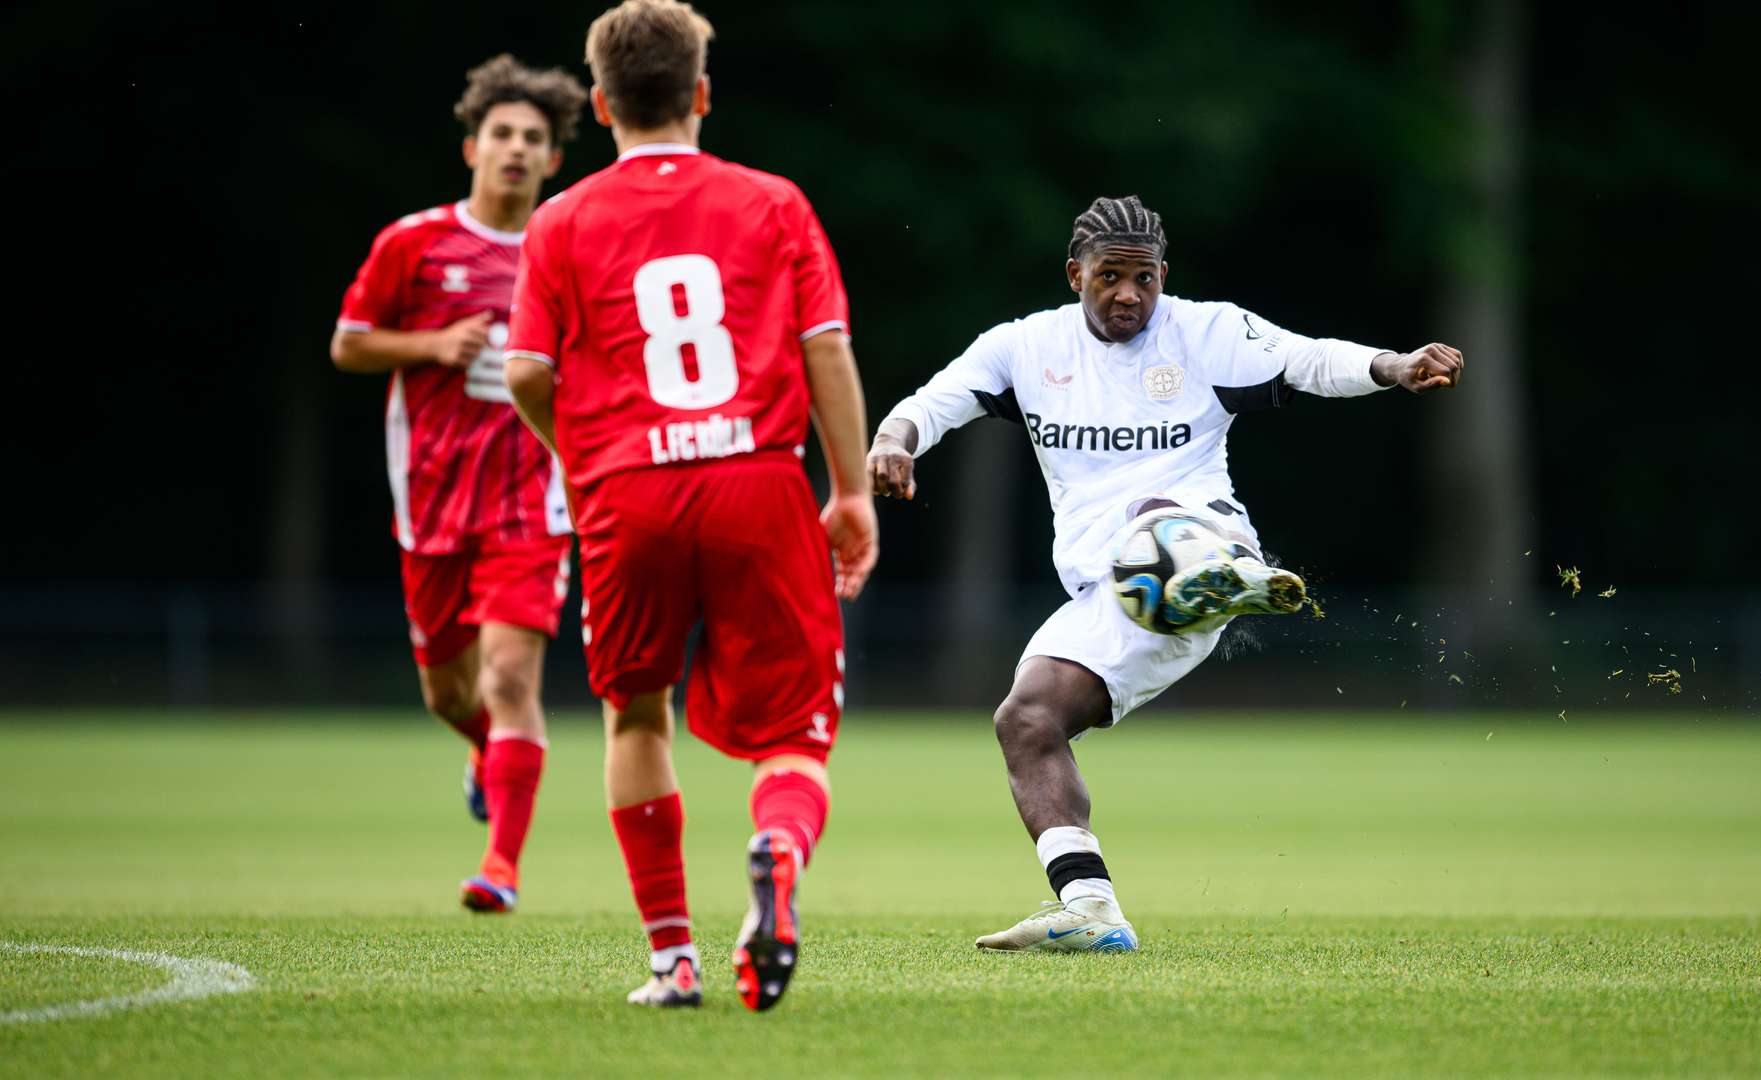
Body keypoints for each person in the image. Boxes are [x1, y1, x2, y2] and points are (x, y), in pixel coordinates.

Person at [867, 196, 1464, 952]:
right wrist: (894, 442)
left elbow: (1307, 358)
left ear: (1163, 277)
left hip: (1178, 542)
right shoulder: (1024, 347)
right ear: (1074, 274)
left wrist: (1394, 366)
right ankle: (1089, 907)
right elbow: (935, 401)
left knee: (1154, 514)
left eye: (1143, 278)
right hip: (1105, 591)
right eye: (1109, 276)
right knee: (1026, 719)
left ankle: (1223, 571)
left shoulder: (1205, 331)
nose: (1128, 294)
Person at [503, 0, 875, 1011]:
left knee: (634, 712)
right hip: (757, 478)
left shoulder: (560, 218)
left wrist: (586, 463)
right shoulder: (774, 202)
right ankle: (776, 857)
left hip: (629, 485)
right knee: (795, 735)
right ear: (702, 94)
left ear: (599, 104)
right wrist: (847, 490)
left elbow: (528, 369)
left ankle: (673, 960)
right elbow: (826, 349)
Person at [331, 55, 588, 915]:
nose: (516, 150)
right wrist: (431, 347)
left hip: (534, 501)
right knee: (448, 693)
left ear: (554, 159)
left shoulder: (569, 243)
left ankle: (501, 868)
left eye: (535, 139)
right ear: (473, 145)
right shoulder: (415, 242)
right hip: (433, 502)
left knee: (511, 679)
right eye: (503, 134)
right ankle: (486, 753)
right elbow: (349, 343)